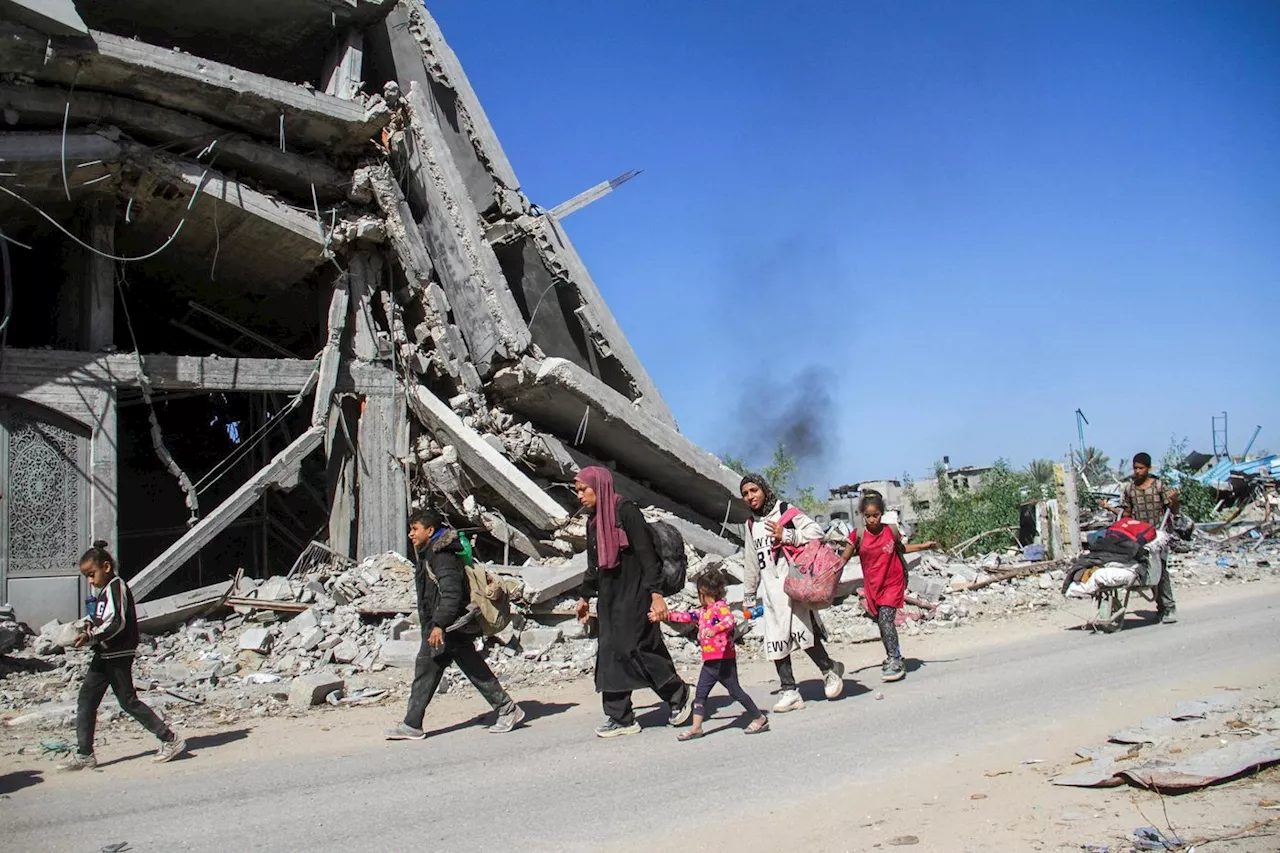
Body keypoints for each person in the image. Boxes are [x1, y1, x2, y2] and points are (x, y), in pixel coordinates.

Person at [574, 466, 694, 738]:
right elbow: (594, 565)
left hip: (637, 593)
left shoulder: (625, 511)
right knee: (610, 652)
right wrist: (584, 596)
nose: (579, 495)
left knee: (638, 648)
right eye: (577, 490)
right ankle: (620, 717)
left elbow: (647, 556)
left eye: (584, 489)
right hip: (609, 597)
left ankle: (679, 694)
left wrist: (656, 594)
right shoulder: (593, 521)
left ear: (600, 485)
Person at [385, 509, 524, 740]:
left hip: (448, 627)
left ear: (430, 531)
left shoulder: (442, 557)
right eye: (410, 529)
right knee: (431, 670)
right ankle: (412, 724)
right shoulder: (430, 552)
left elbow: (452, 593)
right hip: (443, 626)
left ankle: (507, 710)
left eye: (415, 529)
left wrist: (439, 624)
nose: (411, 534)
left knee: (462, 669)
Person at [58, 541, 187, 771]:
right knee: (86, 700)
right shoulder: (103, 591)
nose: (90, 580)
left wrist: (91, 637)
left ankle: (170, 739)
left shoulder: (117, 587)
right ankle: (84, 753)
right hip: (104, 653)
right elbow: (101, 618)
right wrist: (89, 627)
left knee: (127, 700)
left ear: (106, 567)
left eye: (91, 574)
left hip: (118, 653)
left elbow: (117, 622)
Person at [740, 473, 845, 713]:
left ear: (764, 489)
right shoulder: (751, 524)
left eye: (754, 490)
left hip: (794, 588)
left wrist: (787, 535)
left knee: (803, 634)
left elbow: (817, 532)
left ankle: (830, 672)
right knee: (776, 641)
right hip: (770, 594)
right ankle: (789, 690)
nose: (750, 497)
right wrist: (748, 596)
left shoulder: (785, 511)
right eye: (745, 494)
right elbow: (751, 562)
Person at [654, 568, 769, 740]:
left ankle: (759, 718)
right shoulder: (704, 611)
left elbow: (730, 621)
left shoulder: (720, 607)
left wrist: (714, 630)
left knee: (735, 691)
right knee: (700, 693)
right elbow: (686, 616)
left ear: (702, 592)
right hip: (710, 662)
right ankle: (696, 727)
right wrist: (665, 616)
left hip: (724, 661)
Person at [836, 493, 938, 682]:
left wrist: (924, 546)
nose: (872, 519)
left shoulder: (891, 530)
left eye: (875, 515)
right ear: (862, 515)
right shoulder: (858, 535)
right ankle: (893, 654)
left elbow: (901, 549)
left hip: (893, 581)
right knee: (883, 623)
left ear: (881, 514)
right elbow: (844, 558)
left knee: (886, 620)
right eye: (868, 516)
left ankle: (895, 660)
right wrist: (827, 571)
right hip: (873, 586)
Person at [1120, 452, 1180, 623]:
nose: (1137, 471)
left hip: (1159, 535)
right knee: (1145, 569)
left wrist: (1175, 500)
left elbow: (1173, 509)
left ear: (1148, 468)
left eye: (1141, 468)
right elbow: (1126, 511)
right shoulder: (1129, 489)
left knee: (1160, 568)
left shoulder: (1159, 486)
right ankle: (1160, 605)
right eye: (1135, 468)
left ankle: (1168, 607)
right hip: (1140, 535)